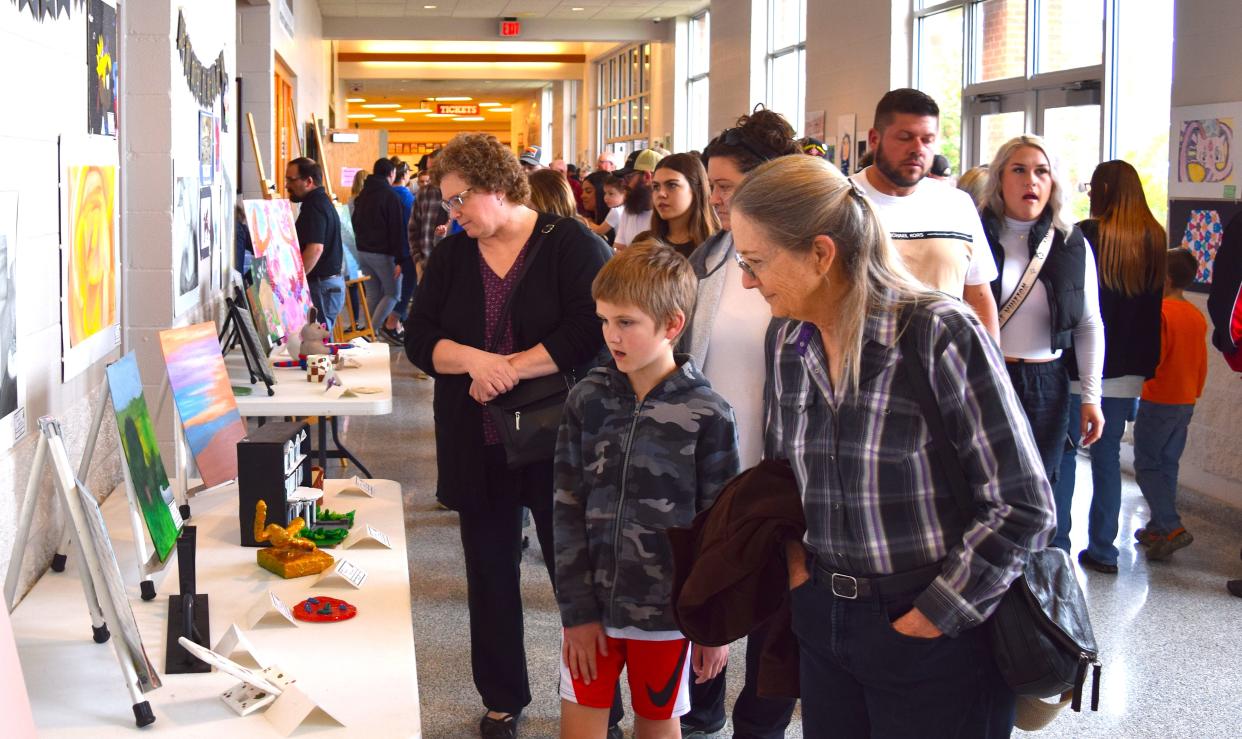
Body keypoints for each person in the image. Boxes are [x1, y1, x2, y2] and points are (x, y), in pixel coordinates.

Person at [731, 154, 1053, 737]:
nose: (748, 281)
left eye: (755, 262)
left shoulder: (938, 333)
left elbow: (1023, 504)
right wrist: (803, 577)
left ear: (821, 253)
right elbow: (783, 479)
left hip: (936, 628)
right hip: (827, 623)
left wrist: (933, 616)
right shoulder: (787, 339)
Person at [404, 132, 612, 739]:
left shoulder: (570, 244)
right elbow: (419, 339)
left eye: (460, 199)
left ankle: (600, 702)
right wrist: (474, 360)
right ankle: (502, 698)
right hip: (479, 443)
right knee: (489, 575)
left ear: (498, 188)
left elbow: (590, 332)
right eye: (447, 203)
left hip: (557, 443)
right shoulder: (452, 256)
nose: (454, 213)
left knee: (576, 581)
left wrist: (510, 368)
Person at [555, 242, 739, 739]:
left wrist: (712, 624)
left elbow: (719, 530)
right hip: (589, 609)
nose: (611, 336)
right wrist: (576, 612)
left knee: (659, 724)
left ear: (672, 325)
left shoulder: (709, 414)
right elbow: (566, 509)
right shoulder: (586, 399)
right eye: (604, 320)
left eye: (627, 323)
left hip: (668, 617)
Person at [678, 106, 801, 739]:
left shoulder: (804, 264)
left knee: (777, 611)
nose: (716, 199)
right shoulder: (707, 259)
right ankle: (702, 714)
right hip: (717, 465)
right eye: (712, 185)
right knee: (715, 591)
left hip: (785, 468)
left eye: (726, 185)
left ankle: (762, 724)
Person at [1053, 159, 1167, 573]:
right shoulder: (1154, 238)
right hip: (1126, 373)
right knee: (1108, 460)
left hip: (1081, 367)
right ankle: (1104, 549)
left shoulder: (1086, 235)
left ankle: (1059, 546)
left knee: (1065, 454)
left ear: (1102, 190)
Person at [979, 135, 1105, 502]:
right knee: (984, 486)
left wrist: (1091, 398)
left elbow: (1089, 324)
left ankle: (1035, 560)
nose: (1030, 181)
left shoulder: (1072, 243)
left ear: (1053, 182)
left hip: (1046, 383)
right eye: (1018, 170)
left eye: (1041, 171)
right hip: (987, 376)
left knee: (1039, 491)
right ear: (1000, 179)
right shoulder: (976, 236)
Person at [851, 89, 1001, 340]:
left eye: (927, 139)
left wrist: (991, 367)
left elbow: (979, 296)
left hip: (944, 365)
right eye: (905, 137)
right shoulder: (843, 200)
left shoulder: (957, 205)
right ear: (874, 139)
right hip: (861, 365)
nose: (917, 149)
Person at [1133, 248, 1207, 561]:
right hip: (1185, 401)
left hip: (1159, 399)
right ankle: (1157, 528)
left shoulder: (1160, 313)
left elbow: (1155, 357)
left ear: (1164, 278)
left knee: (1147, 464)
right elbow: (1201, 363)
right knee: (1168, 465)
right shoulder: (1195, 315)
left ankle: (1172, 527)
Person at [284, 157, 345, 331]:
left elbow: (316, 248)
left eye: (291, 180)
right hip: (326, 285)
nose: (287, 185)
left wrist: (295, 283)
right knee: (318, 344)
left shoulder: (315, 207)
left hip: (322, 286)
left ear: (309, 181)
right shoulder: (320, 202)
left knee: (319, 346)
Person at [352, 157, 408, 343]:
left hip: (363, 252)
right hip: (383, 255)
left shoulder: (363, 195)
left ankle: (363, 331)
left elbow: (354, 222)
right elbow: (397, 229)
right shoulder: (390, 196)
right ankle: (370, 331)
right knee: (393, 294)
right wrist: (401, 259)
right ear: (391, 174)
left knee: (374, 293)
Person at [638, 153, 719, 259]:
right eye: (656, 186)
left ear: (696, 190)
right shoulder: (643, 243)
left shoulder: (718, 246)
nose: (661, 194)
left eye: (672, 185)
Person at [610, 149, 665, 249]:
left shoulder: (666, 215)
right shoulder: (629, 209)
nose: (623, 183)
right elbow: (618, 250)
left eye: (628, 178)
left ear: (647, 177)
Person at [409, 154, 450, 266]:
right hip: (426, 262)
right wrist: (417, 261)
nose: (430, 173)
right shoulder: (423, 193)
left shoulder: (456, 192)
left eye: (434, 168)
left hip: (451, 262)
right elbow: (413, 229)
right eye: (428, 168)